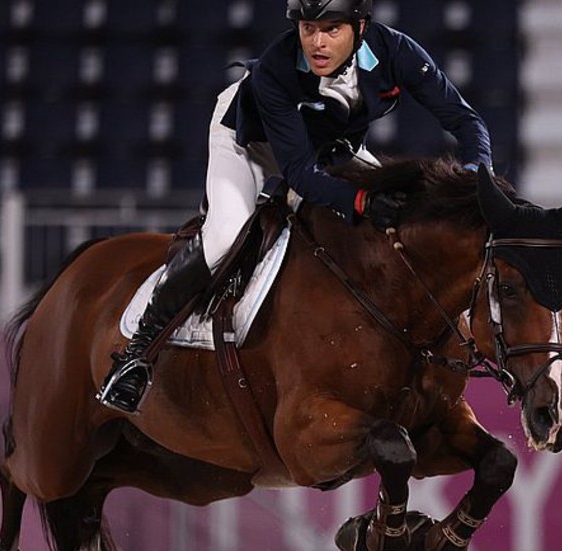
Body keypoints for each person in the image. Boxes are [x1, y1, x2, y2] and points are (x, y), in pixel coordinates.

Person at [98, 0, 494, 413]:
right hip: (251, 143)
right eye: (308, 28)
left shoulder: (397, 51)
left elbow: (467, 123)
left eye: (332, 29)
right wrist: (361, 200)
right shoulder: (277, 67)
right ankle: (137, 353)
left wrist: (474, 180)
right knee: (226, 234)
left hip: (329, 148)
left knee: (404, 224)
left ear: (360, 28)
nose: (317, 43)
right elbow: (299, 173)